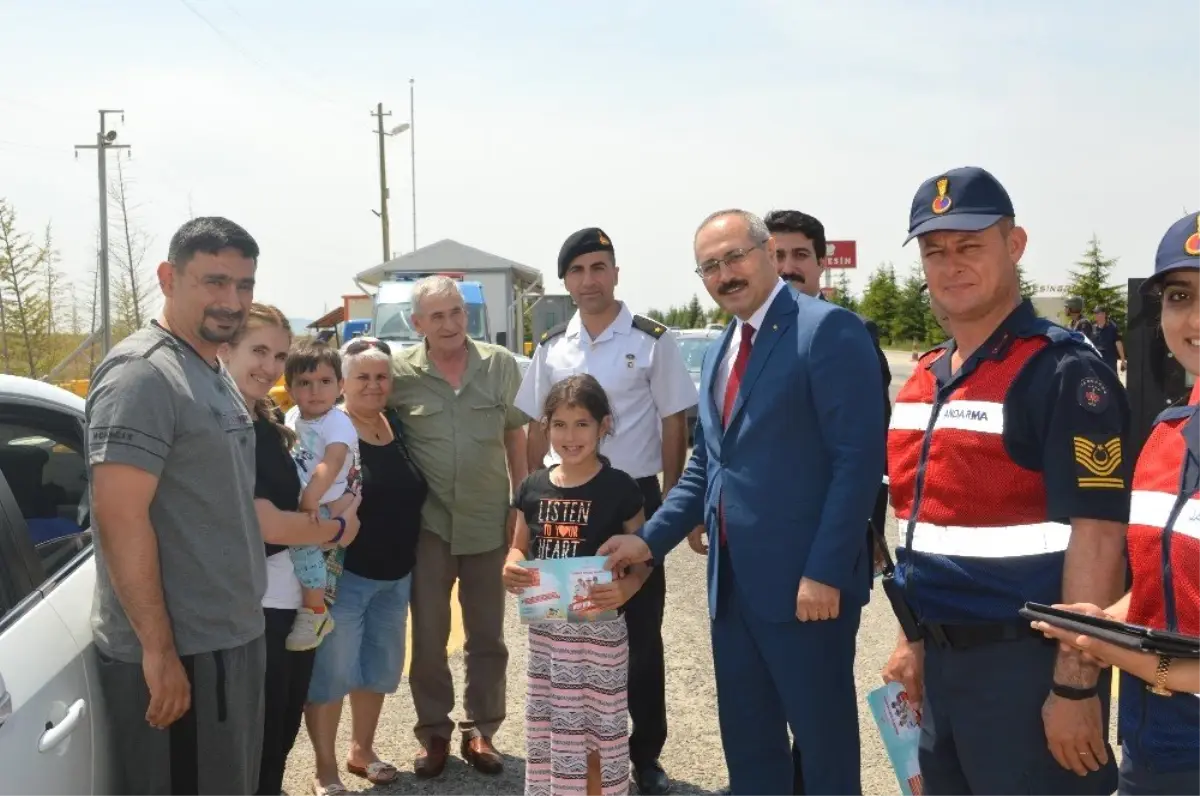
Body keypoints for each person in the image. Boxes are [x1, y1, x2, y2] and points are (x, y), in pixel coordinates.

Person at [599, 208, 886, 795]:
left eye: (734, 257)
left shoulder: (827, 330)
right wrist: (647, 539)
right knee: (751, 751)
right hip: (732, 590)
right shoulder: (725, 345)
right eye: (710, 266)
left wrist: (826, 570)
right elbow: (708, 465)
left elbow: (857, 462)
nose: (725, 274)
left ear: (766, 253)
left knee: (825, 751)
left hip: (807, 590)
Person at [881, 166, 1130, 796]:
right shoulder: (925, 376)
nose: (951, 264)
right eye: (935, 251)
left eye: (970, 246)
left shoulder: (1062, 371)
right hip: (940, 669)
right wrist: (911, 640)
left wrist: (1076, 684)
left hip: (1028, 670)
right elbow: (927, 530)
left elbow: (1098, 535)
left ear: (1014, 246)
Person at [87, 217, 267, 795]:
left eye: (244, 285)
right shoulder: (143, 375)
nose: (231, 300)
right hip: (183, 655)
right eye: (214, 282)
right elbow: (119, 517)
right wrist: (158, 653)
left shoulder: (211, 366)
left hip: (227, 640)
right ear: (168, 277)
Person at [515, 227, 697, 796]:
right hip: (563, 498)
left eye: (599, 267)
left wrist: (669, 505)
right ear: (565, 281)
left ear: (616, 273)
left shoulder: (650, 340)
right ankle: (568, 755)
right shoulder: (550, 345)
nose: (589, 280)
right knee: (562, 633)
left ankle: (643, 759)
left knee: (637, 635)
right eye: (577, 271)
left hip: (630, 499)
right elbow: (529, 425)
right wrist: (529, 497)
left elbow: (674, 423)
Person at [1030, 211, 1200, 795]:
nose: (1195, 318)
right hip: (1154, 746)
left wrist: (1130, 658)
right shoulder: (1164, 437)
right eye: (1181, 296)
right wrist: (1111, 618)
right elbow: (1162, 584)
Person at [761, 207, 893, 795]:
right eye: (776, 256)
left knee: (821, 704)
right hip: (767, 560)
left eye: (799, 256)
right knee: (776, 697)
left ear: (820, 264)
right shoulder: (747, 340)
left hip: (825, 558)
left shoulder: (844, 333)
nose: (787, 268)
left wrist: (842, 558)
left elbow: (864, 460)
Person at [217, 303, 363, 796]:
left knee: (279, 733)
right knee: (260, 739)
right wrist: (336, 527)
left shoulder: (269, 416)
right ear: (225, 349)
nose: (270, 366)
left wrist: (340, 516)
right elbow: (267, 525)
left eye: (279, 354)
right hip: (256, 608)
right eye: (258, 350)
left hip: (286, 600)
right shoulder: (229, 421)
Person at [390, 275, 529, 777]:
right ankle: (433, 734)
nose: (450, 324)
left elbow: (517, 436)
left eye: (457, 313)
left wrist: (521, 503)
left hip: (489, 521)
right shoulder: (397, 373)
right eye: (438, 316)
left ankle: (483, 731)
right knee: (427, 638)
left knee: (487, 637)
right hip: (427, 526)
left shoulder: (499, 365)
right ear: (417, 323)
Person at [505, 374, 651, 796]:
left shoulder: (621, 487)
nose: (571, 436)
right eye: (560, 424)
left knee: (598, 734)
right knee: (554, 731)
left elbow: (645, 558)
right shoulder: (532, 486)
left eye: (582, 424)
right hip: (548, 635)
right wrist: (511, 567)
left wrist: (628, 589)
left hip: (600, 635)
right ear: (545, 426)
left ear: (604, 425)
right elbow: (518, 547)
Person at [304, 336, 429, 794]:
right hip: (348, 576)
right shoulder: (331, 430)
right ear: (343, 384)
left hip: (396, 576)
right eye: (363, 377)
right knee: (332, 675)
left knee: (379, 667)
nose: (374, 385)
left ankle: (362, 751)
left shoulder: (393, 424)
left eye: (382, 377)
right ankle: (325, 770)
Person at [281, 343, 361, 650]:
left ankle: (315, 614)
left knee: (302, 547)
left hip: (323, 501)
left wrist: (310, 499)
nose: (315, 391)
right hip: (308, 499)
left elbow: (332, 463)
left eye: (325, 382)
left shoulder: (337, 421)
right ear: (289, 388)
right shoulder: (291, 416)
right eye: (304, 383)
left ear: (340, 386)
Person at [1091, 306, 1126, 374]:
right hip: (1097, 360)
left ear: (1104, 314)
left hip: (1109, 361)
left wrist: (1123, 359)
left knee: (1111, 381)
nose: (1095, 315)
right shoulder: (1093, 328)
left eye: (1097, 313)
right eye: (1095, 313)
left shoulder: (1112, 328)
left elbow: (1118, 343)